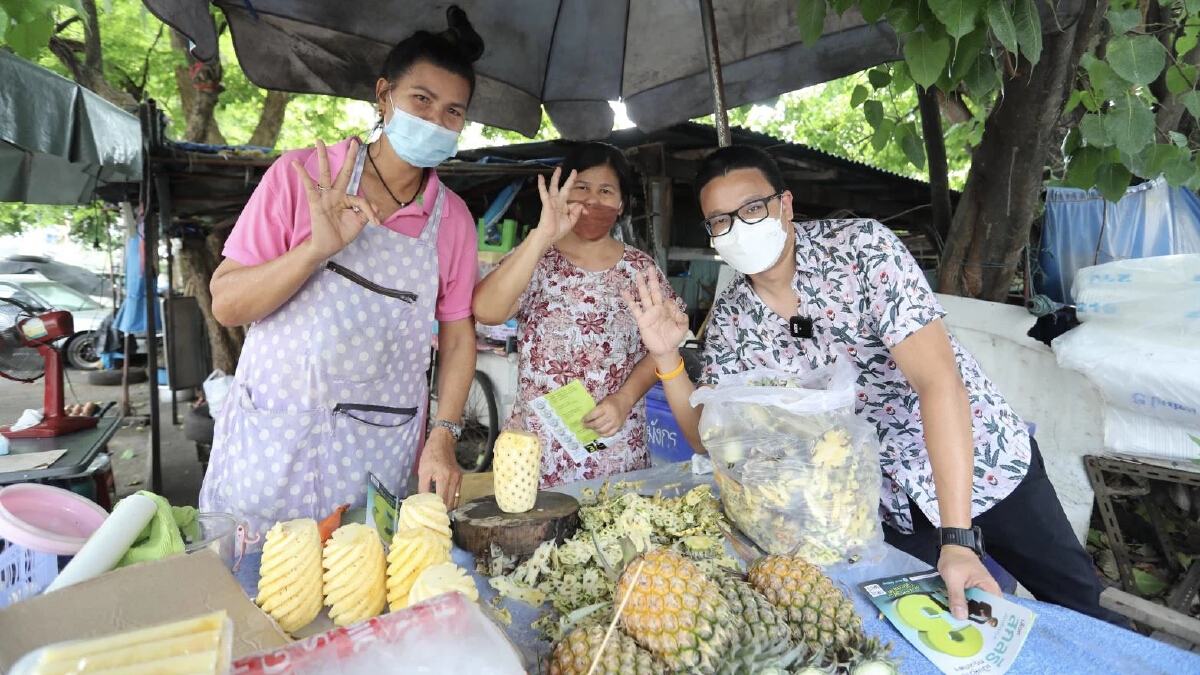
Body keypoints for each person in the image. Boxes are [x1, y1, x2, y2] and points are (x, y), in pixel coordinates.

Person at [623, 145, 1125, 626]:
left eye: (752, 207)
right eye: (721, 220)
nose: (739, 228)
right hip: (878, 506)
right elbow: (711, 440)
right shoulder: (733, 317)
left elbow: (938, 382)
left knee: (1083, 609)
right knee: (931, 634)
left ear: (785, 205)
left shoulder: (860, 250)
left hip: (978, 462)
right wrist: (667, 358)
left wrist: (957, 537)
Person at [201, 8, 485, 549]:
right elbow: (228, 305)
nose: (434, 120)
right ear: (384, 96)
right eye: (420, 100)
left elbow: (457, 336)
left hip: (377, 452)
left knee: (364, 590)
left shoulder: (453, 221)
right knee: (258, 592)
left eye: (453, 112)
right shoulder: (304, 175)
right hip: (274, 443)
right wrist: (314, 250)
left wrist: (443, 435)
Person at [473, 143, 683, 487]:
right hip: (534, 451)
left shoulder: (640, 270)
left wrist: (624, 399)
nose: (592, 201)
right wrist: (542, 236)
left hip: (615, 447)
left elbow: (660, 351)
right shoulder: (537, 257)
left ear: (621, 204)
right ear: (563, 195)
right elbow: (487, 310)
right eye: (581, 188)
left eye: (605, 191)